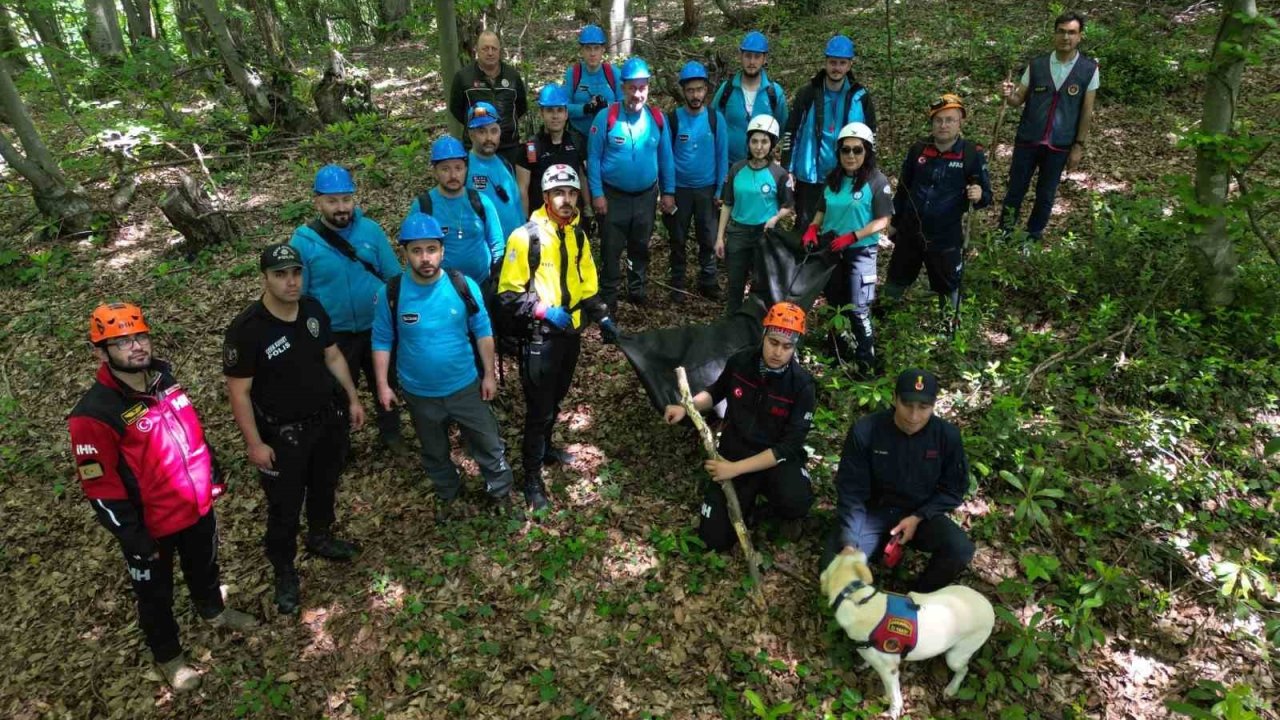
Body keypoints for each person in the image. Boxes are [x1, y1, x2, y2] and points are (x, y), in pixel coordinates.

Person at [70, 303, 258, 692]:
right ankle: (168, 655)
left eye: (140, 336)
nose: (136, 347)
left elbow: (191, 433)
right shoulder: (94, 413)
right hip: (151, 527)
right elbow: (101, 488)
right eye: (122, 342)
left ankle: (213, 610)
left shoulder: (165, 381)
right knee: (155, 595)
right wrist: (134, 539)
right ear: (101, 353)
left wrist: (213, 474)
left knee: (205, 565)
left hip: (195, 506)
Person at [224, 243, 367, 615]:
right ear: (265, 278)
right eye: (280, 274)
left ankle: (320, 535)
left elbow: (332, 355)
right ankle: (284, 569)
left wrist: (352, 397)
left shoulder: (313, 310)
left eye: (296, 273)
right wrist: (254, 443)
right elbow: (239, 393)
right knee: (284, 506)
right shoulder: (247, 329)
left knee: (325, 484)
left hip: (325, 421)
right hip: (281, 435)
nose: (291, 282)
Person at [371, 213, 521, 521]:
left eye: (431, 249)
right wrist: (383, 385)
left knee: (487, 442)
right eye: (417, 250)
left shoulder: (461, 285)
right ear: (405, 253)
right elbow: (382, 339)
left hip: (465, 386)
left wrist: (489, 375)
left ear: (442, 249)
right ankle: (448, 494)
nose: (425, 258)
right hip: (418, 392)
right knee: (434, 450)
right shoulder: (392, 293)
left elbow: (482, 330)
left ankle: (501, 492)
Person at [498, 165, 618, 511]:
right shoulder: (526, 237)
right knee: (538, 409)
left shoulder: (577, 236)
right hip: (541, 337)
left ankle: (546, 449)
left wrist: (603, 317)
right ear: (546, 197)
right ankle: (531, 478)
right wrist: (542, 311)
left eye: (572, 193)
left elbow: (588, 287)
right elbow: (507, 296)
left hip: (570, 335)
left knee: (556, 400)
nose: (566, 200)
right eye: (559, 193)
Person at [664, 302, 815, 551]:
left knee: (797, 500)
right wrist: (685, 407)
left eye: (787, 346)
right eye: (773, 342)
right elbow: (716, 392)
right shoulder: (741, 361)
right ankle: (747, 506)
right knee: (712, 541)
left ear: (794, 347)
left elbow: (788, 447)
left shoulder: (802, 385)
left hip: (773, 461)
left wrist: (734, 469)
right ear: (764, 336)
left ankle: (771, 510)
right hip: (735, 450)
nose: (778, 352)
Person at [289, 164, 405, 452]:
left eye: (345, 199)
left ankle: (391, 434)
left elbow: (393, 277)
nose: (340, 208)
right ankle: (340, 444)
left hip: (377, 327)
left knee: (387, 381)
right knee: (339, 391)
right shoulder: (303, 242)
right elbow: (299, 295)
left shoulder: (371, 231)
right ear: (317, 201)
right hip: (334, 335)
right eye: (332, 201)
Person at [827, 368, 975, 592]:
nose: (914, 416)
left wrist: (919, 516)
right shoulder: (866, 430)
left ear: (934, 405)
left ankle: (916, 598)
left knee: (960, 549)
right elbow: (851, 490)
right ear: (895, 399)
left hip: (920, 514)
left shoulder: (946, 436)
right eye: (907, 405)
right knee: (834, 568)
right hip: (870, 514)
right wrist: (849, 543)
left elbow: (954, 488)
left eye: (923, 407)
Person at [883, 94, 992, 324]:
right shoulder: (919, 150)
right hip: (910, 231)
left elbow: (985, 197)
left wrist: (979, 194)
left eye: (950, 120)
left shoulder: (971, 153)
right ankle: (883, 324)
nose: (944, 125)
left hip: (946, 237)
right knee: (896, 278)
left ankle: (950, 331)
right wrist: (894, 222)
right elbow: (903, 188)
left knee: (948, 284)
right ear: (932, 123)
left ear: (960, 122)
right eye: (939, 120)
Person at [800, 122, 892, 374]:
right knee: (834, 303)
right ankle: (837, 351)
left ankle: (865, 361)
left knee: (858, 308)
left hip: (860, 252)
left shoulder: (876, 181)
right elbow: (822, 209)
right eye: (845, 150)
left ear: (867, 152)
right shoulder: (833, 180)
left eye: (857, 150)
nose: (851, 155)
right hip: (832, 249)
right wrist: (812, 228)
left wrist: (854, 236)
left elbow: (883, 220)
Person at [999, 10, 1098, 245]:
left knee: (1045, 195)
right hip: (1028, 140)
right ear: (1054, 34)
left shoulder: (1089, 70)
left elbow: (1086, 112)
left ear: (1080, 36)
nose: (1066, 37)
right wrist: (1007, 94)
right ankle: (1003, 235)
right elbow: (1017, 100)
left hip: (1060, 144)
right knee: (1015, 191)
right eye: (1062, 32)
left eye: (1072, 32)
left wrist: (1079, 146)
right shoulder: (1037, 65)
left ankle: (1031, 239)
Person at [587, 56, 676, 310]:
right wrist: (597, 194)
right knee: (611, 249)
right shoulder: (606, 118)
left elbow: (666, 157)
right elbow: (592, 158)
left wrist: (668, 192)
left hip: (647, 196)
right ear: (623, 87)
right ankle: (609, 297)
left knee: (640, 245)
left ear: (648, 87)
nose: (638, 94)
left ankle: (637, 289)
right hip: (613, 197)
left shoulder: (657, 119)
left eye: (643, 87)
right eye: (632, 87)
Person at [781, 34, 877, 230]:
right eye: (832, 62)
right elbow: (792, 132)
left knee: (840, 228)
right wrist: (787, 169)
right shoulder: (808, 93)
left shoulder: (860, 96)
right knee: (806, 228)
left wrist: (869, 170)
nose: (836, 68)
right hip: (810, 176)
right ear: (825, 62)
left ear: (850, 65)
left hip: (846, 174)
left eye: (842, 63)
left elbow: (871, 136)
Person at [663, 61, 729, 301]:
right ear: (683, 91)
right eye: (690, 90)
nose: (695, 95)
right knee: (677, 238)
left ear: (706, 90)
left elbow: (723, 155)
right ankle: (678, 281)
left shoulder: (715, 119)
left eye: (699, 89)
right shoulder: (673, 119)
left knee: (708, 237)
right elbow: (666, 157)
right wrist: (667, 191)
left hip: (707, 188)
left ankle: (708, 280)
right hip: (680, 189)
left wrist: (721, 188)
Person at [716, 115, 793, 314]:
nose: (759, 147)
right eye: (755, 141)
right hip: (738, 233)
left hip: (765, 235)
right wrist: (719, 238)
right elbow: (727, 204)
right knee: (735, 285)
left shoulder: (779, 174)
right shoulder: (737, 169)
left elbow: (788, 205)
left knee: (762, 284)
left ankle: (757, 325)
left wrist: (775, 218)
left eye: (764, 141)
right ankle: (732, 324)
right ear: (748, 143)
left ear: (772, 144)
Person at [410, 135, 505, 288]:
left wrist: (497, 277)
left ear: (466, 169)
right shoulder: (424, 206)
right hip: (442, 290)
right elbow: (413, 250)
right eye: (445, 169)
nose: (453, 175)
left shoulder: (481, 201)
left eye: (458, 168)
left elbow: (497, 244)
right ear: (435, 172)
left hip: (483, 285)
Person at [448, 30, 528, 166]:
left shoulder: (513, 76)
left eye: (494, 48)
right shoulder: (463, 78)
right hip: (476, 148)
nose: (490, 53)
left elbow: (520, 107)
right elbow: (456, 109)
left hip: (509, 147)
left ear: (499, 51)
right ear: (477, 50)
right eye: (485, 48)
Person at [711, 31, 789, 164]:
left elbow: (782, 126)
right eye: (748, 56)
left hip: (762, 165)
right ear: (740, 56)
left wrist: (768, 147)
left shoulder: (774, 92)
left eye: (757, 56)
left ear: (764, 59)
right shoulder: (727, 89)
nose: (752, 61)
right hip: (729, 165)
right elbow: (712, 122)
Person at [518, 84, 591, 220]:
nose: (555, 116)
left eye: (559, 110)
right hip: (541, 221)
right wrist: (526, 223)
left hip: (572, 218)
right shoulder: (531, 147)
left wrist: (587, 208)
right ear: (542, 113)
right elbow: (522, 189)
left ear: (566, 113)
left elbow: (583, 176)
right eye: (550, 110)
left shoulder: (576, 141)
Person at [466, 102, 526, 242]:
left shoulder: (505, 164)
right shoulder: (463, 168)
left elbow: (517, 205)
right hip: (486, 252)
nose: (489, 138)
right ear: (471, 135)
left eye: (493, 131)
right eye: (482, 131)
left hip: (515, 249)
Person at [564, 24, 619, 137]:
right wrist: (585, 108)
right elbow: (563, 107)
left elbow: (625, 105)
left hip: (608, 136)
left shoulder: (613, 73)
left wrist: (606, 106)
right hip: (578, 137)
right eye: (588, 48)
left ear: (603, 50)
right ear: (582, 50)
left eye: (596, 48)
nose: (592, 53)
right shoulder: (573, 74)